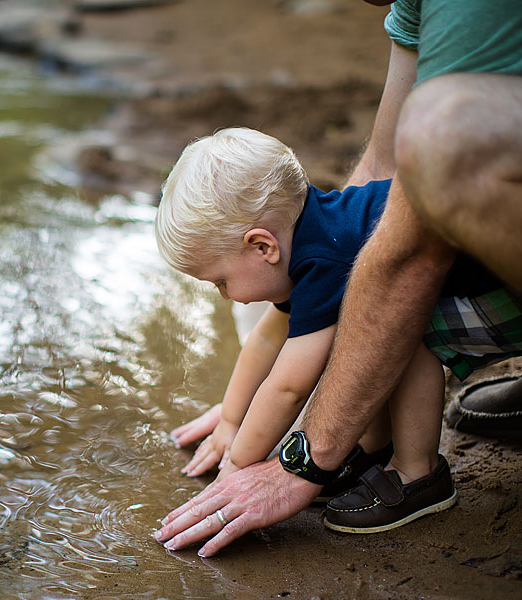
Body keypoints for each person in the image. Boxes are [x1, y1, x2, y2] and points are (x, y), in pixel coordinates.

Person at [152, 0, 522, 557]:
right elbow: (266, 342)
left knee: (391, 324)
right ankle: (373, 449)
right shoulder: (312, 234)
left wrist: (243, 465)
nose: (223, 294)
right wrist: (230, 419)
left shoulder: (324, 266)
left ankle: (415, 474)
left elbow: (289, 383)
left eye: (220, 282)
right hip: (472, 260)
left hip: (496, 280)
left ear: (261, 245)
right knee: (363, 324)